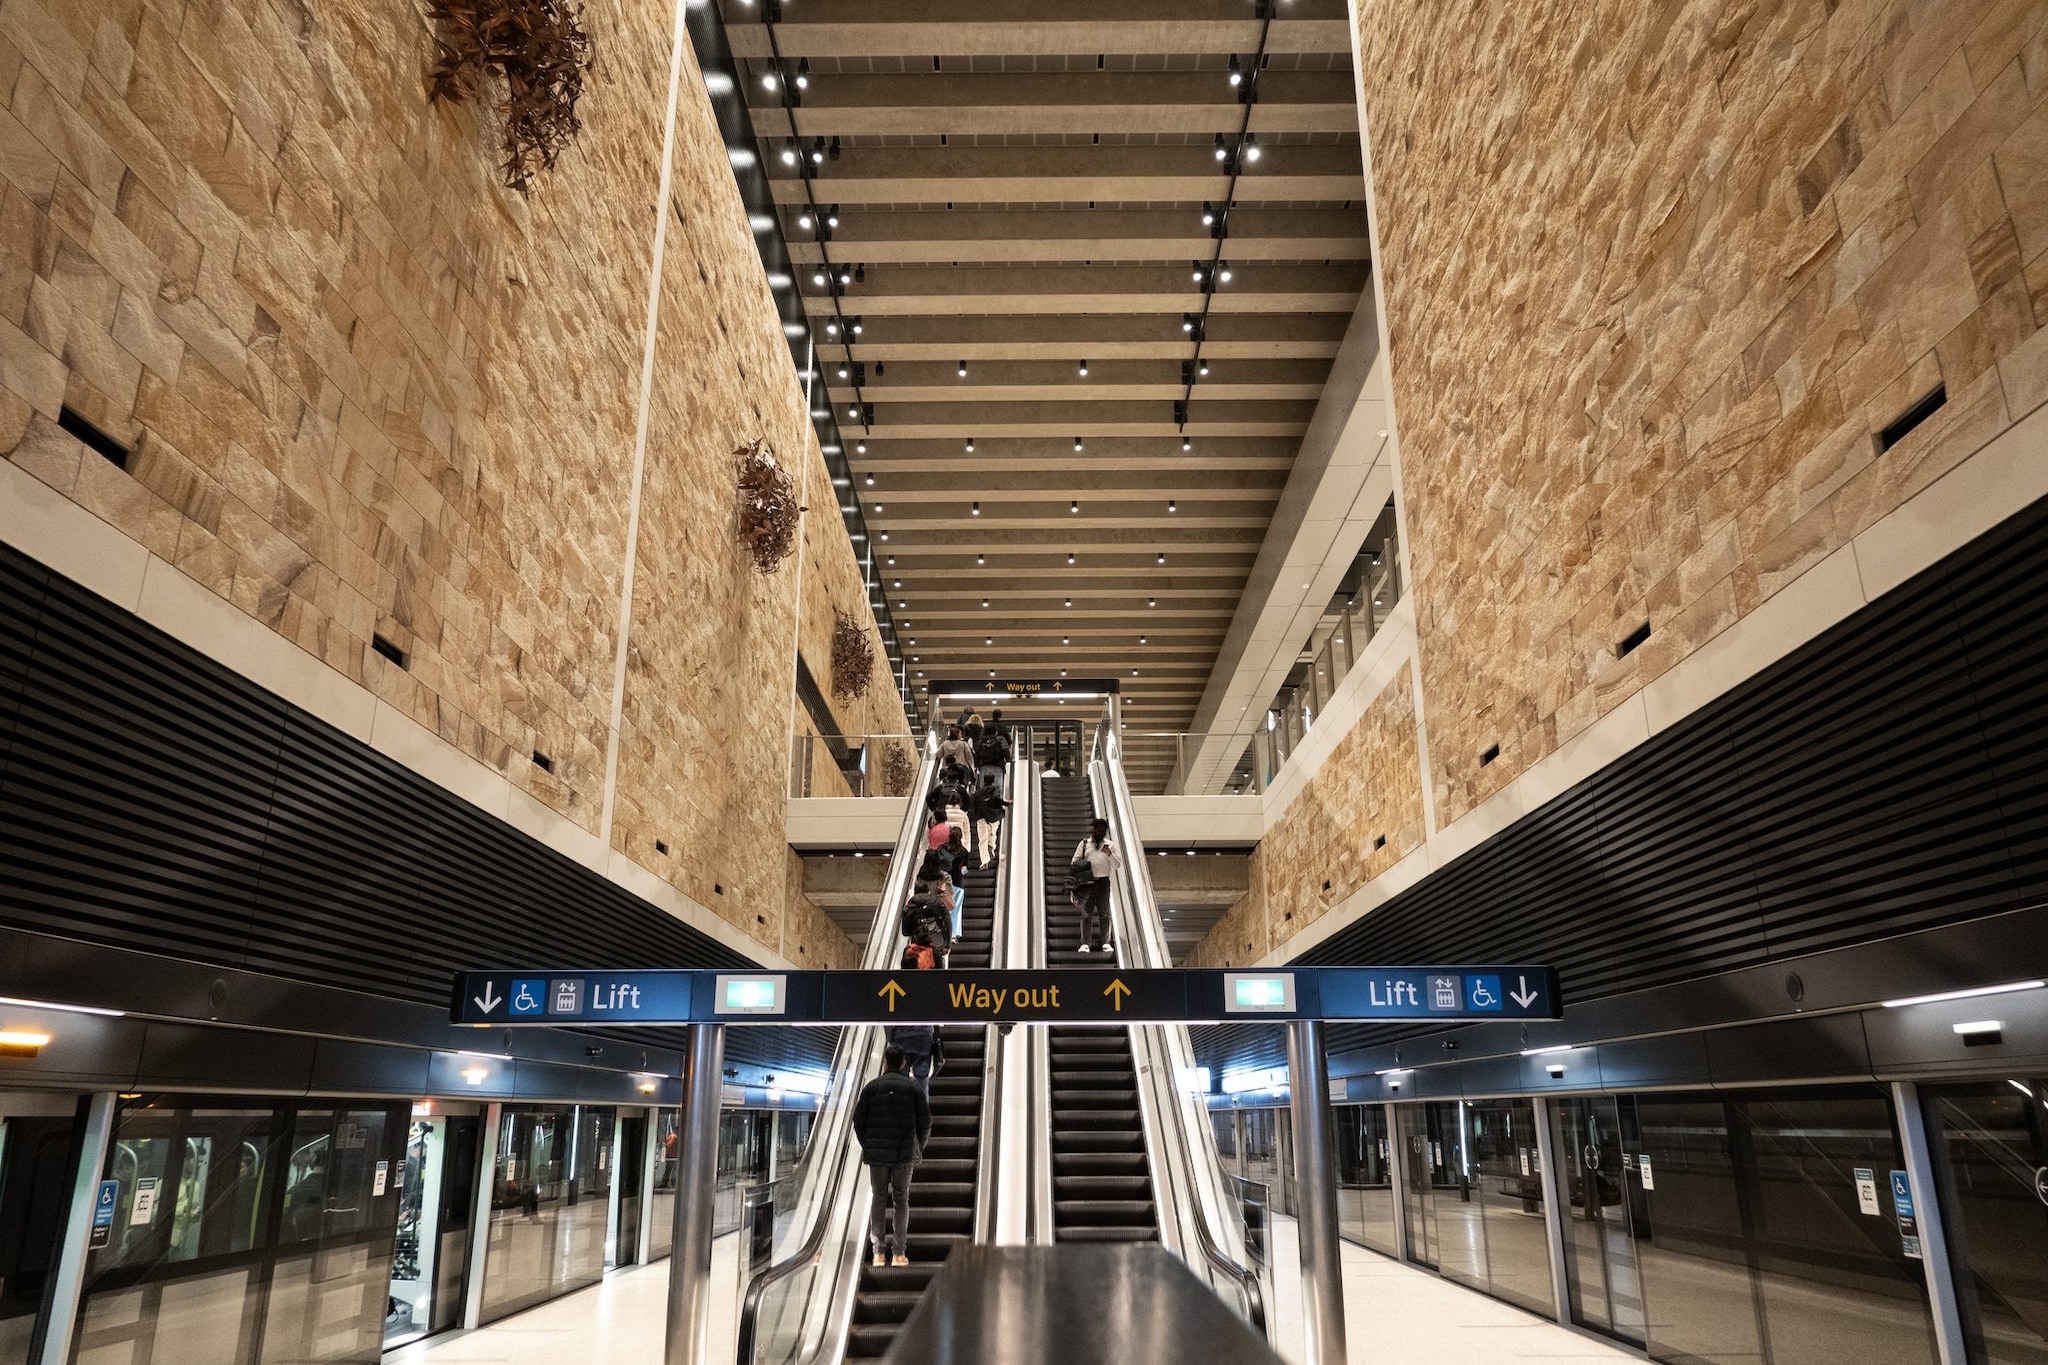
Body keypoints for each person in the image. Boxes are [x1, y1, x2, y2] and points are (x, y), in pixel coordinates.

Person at [852, 1046, 930, 1268]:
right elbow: (926, 1122)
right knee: (901, 1199)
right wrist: (917, 1147)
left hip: (877, 1155)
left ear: (885, 1061)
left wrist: (868, 1144)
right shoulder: (914, 1088)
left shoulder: (871, 1088)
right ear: (904, 1062)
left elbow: (858, 1121)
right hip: (904, 1154)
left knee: (878, 1199)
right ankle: (898, 1253)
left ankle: (878, 1254)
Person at [1070, 817, 1120, 954]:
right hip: (1088, 882)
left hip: (1103, 882)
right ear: (1093, 830)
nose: (1100, 833)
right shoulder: (1085, 844)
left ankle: (1105, 942)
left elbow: (1117, 865)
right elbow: (1074, 862)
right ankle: (1085, 943)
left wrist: (1110, 855)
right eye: (1098, 830)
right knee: (1086, 913)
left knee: (1104, 913)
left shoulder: (1110, 845)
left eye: (1102, 831)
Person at [887, 1024, 944, 1099]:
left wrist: (890, 1038)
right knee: (922, 1081)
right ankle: (922, 1108)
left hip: (900, 1038)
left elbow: (887, 1022)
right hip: (923, 1039)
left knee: (900, 1081)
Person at [972, 777, 1007, 868]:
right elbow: (997, 800)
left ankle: (984, 861)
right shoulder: (995, 789)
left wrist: (976, 817)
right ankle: (991, 847)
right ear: (992, 781)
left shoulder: (977, 793)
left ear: (984, 781)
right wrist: (1006, 803)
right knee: (993, 834)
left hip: (981, 818)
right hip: (994, 817)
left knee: (982, 840)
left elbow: (973, 806)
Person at [943, 828, 970, 939]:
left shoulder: (944, 849)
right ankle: (953, 934)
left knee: (944, 908)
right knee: (956, 909)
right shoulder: (963, 851)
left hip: (944, 883)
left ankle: (944, 932)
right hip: (958, 883)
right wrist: (963, 873)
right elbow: (965, 868)